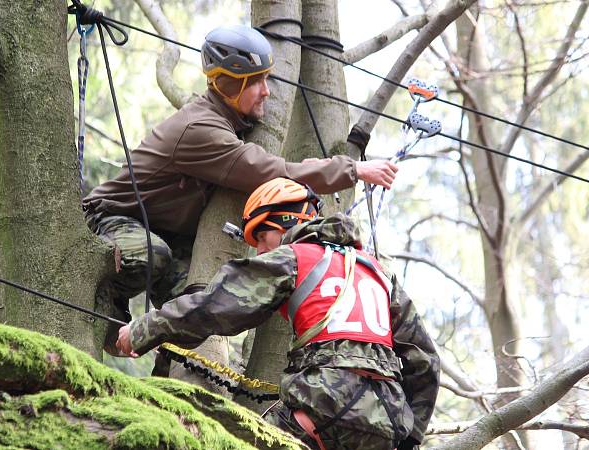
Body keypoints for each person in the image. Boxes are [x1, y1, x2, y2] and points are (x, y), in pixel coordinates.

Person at [82, 25, 398, 354]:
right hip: (110, 221)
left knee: (195, 305)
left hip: (165, 233)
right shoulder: (200, 129)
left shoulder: (230, 123)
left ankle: (171, 378)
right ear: (229, 85)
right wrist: (353, 169)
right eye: (256, 82)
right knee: (152, 254)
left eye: (267, 79)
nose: (267, 92)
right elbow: (274, 171)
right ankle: (104, 308)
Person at [115, 178, 440, 450]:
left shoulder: (294, 257)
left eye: (261, 236)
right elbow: (425, 361)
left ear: (287, 224)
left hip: (321, 410)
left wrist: (145, 329)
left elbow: (213, 307)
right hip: (387, 424)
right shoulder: (380, 274)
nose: (259, 250)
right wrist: (410, 436)